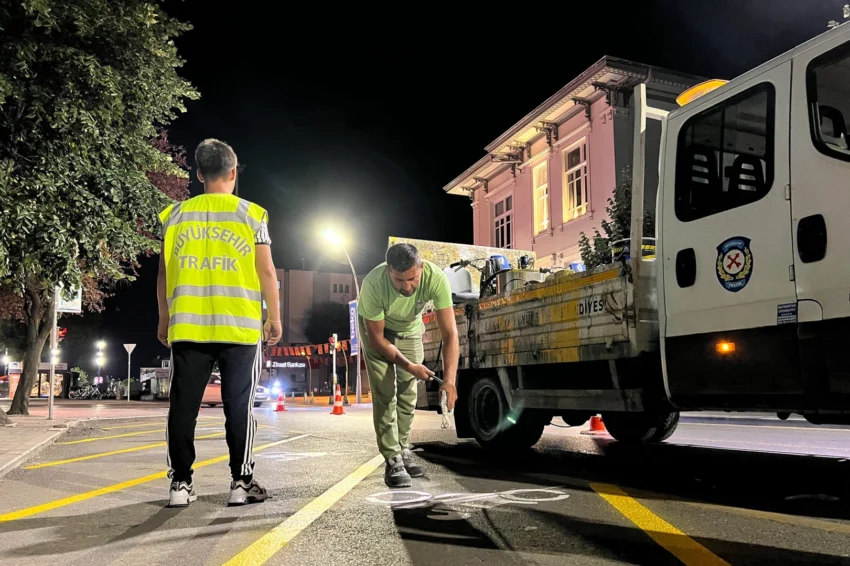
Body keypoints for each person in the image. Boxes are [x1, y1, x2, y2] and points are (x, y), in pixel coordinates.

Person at [157, 138, 282, 508]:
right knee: (238, 407)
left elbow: (164, 274)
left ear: (197, 174)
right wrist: (273, 318)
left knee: (183, 406)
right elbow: (267, 271)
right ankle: (240, 483)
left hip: (189, 327)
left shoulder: (175, 216)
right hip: (240, 329)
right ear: (233, 172)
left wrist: (164, 318)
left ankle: (180, 484)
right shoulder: (252, 215)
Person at [359, 243, 459, 488]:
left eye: (412, 279)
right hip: (378, 334)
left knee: (407, 394)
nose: (407, 287)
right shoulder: (373, 284)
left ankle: (403, 449)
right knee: (385, 393)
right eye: (399, 280)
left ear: (421, 268)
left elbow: (450, 334)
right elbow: (378, 339)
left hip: (411, 331)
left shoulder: (435, 278)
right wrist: (409, 366)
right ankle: (392, 458)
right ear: (388, 271)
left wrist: (449, 381)